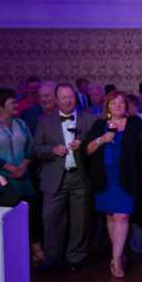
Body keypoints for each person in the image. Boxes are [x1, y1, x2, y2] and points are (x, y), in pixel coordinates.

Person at [82, 91, 142, 278]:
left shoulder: (135, 122)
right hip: (104, 178)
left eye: (122, 103)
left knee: (122, 216)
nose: (119, 106)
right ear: (108, 107)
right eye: (114, 103)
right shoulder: (99, 125)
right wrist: (101, 139)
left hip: (126, 177)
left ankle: (116, 259)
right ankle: (117, 254)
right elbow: (87, 150)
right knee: (111, 217)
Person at [31, 83, 97, 272]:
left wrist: (83, 145)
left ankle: (76, 257)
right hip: (54, 177)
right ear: (56, 100)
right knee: (50, 219)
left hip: (80, 177)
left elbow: (98, 147)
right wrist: (51, 149)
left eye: (71, 97)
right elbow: (35, 149)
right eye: (64, 98)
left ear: (75, 98)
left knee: (81, 219)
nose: (68, 100)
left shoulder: (89, 120)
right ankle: (52, 259)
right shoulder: (44, 121)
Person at [0, 88, 42, 262]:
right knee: (6, 219)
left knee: (31, 215)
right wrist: (11, 169)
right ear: (0, 106)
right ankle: (9, 256)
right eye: (12, 102)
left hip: (24, 179)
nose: (17, 105)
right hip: (0, 181)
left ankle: (36, 252)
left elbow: (32, 147)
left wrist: (21, 166)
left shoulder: (21, 124)